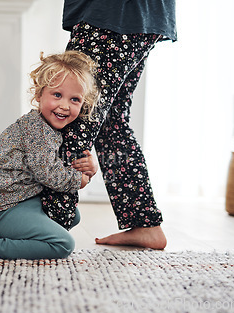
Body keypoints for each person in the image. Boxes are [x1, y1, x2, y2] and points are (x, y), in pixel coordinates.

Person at [40, 0, 177, 249]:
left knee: (74, 114)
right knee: (111, 120)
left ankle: (48, 224)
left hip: (112, 14)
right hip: (137, 16)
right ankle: (145, 223)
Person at [0, 51, 99, 259]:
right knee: (63, 244)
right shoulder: (37, 129)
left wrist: (89, 166)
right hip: (3, 210)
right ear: (38, 95)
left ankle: (27, 239)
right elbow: (48, 173)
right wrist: (78, 179)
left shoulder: (51, 129)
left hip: (24, 200)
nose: (64, 105)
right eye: (57, 95)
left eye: (75, 99)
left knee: (71, 215)